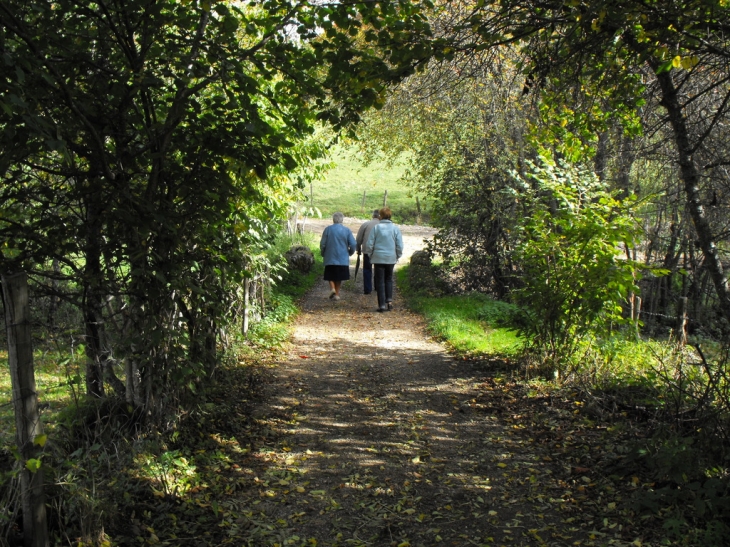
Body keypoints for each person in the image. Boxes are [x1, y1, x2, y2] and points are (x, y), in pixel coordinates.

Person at [363, 206, 403, 312]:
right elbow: (399, 245)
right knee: (389, 279)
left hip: (378, 257)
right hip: (391, 258)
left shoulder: (376, 228)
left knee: (380, 280)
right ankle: (389, 301)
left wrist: (371, 255)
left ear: (381, 216)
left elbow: (370, 244)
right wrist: (397, 255)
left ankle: (381, 305)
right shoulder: (395, 229)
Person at [320, 212, 356, 301]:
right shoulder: (347, 230)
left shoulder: (328, 229)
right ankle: (337, 294)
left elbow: (322, 244)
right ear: (342, 220)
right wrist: (350, 252)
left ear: (333, 220)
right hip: (342, 258)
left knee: (330, 275)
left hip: (330, 256)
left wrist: (323, 252)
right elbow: (353, 244)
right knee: (339, 277)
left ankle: (332, 289)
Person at [355, 209, 381, 295]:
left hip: (367, 250)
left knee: (367, 269)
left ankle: (367, 289)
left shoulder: (366, 224)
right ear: (380, 216)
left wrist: (358, 248)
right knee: (378, 268)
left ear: (373, 215)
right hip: (379, 250)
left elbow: (359, 238)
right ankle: (378, 286)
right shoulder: (382, 225)